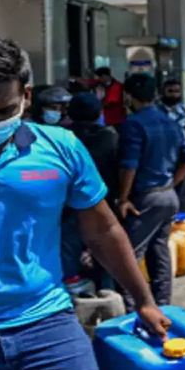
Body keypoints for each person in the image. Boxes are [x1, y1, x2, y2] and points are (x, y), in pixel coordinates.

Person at [0, 35, 171, 370]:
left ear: (26, 97)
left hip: (47, 328)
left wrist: (144, 301)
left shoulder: (61, 147)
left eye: (2, 111)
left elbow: (102, 231)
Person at [118, 73, 185, 311]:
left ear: (129, 96)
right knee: (159, 251)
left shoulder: (133, 124)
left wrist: (122, 198)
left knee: (129, 255)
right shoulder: (170, 121)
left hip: (146, 197)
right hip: (168, 196)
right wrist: (171, 184)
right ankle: (163, 305)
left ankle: (134, 309)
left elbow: (129, 165)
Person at [61, 92, 121, 288]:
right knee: (105, 255)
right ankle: (107, 294)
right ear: (98, 113)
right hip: (103, 204)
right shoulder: (110, 136)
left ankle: (73, 291)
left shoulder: (63, 138)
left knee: (69, 252)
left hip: (69, 206)